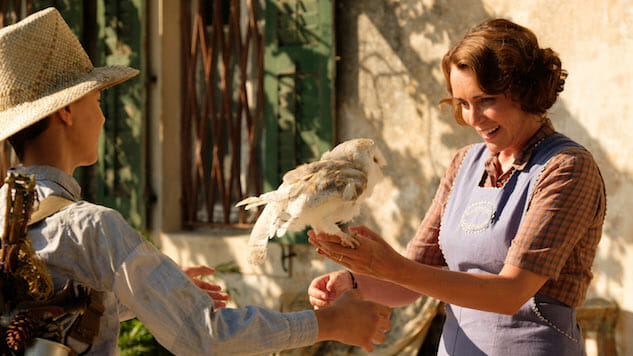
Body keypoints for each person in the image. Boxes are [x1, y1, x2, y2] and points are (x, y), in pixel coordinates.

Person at [0, 7, 391, 355]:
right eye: (98, 100)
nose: (103, 117)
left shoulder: (6, 211)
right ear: (67, 110)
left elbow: (43, 306)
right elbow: (206, 336)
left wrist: (154, 294)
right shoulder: (94, 228)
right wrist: (330, 323)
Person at [308, 18, 606, 355]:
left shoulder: (566, 168)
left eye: (486, 100)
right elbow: (411, 283)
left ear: (525, 91)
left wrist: (392, 265)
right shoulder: (464, 163)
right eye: (463, 104)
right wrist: (356, 279)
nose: (472, 118)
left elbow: (510, 293)